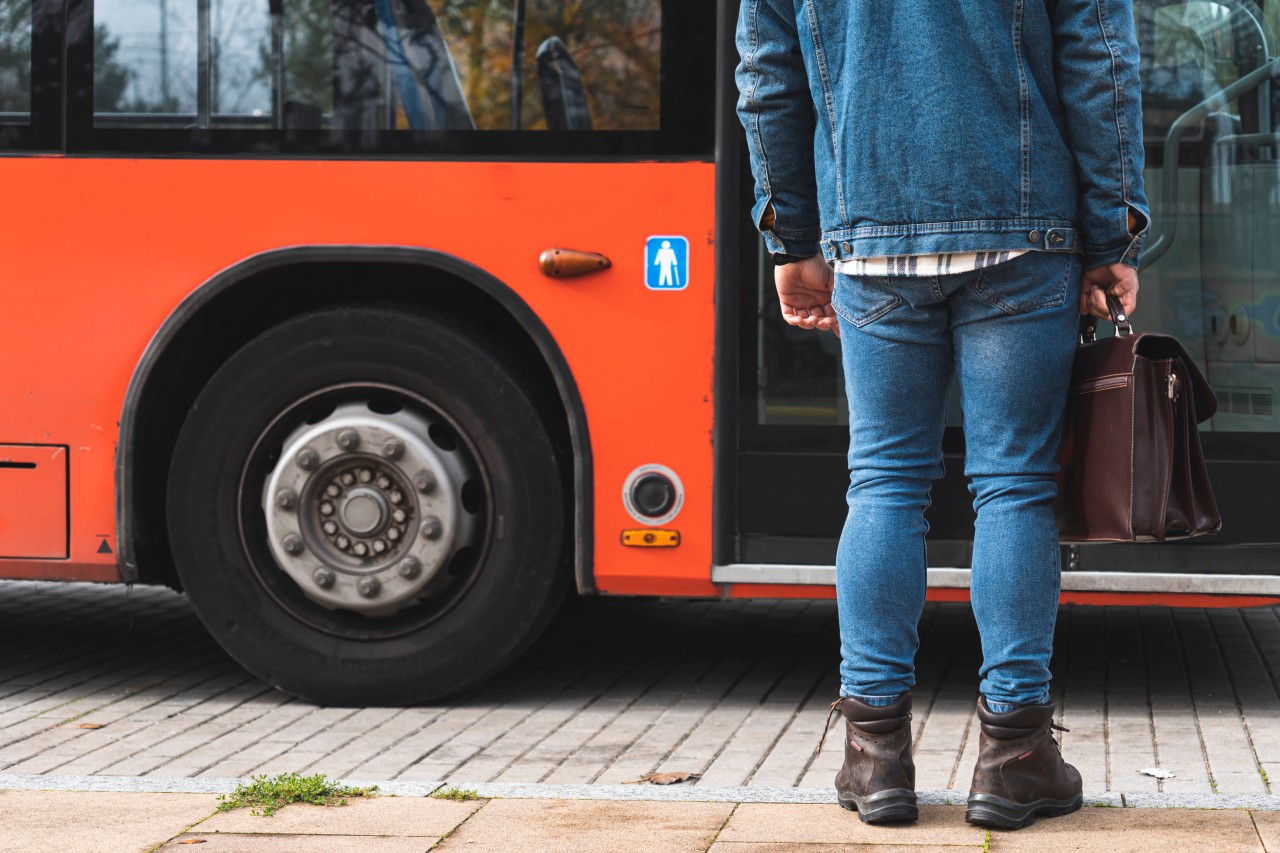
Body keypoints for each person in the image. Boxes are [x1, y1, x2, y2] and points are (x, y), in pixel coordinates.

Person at [736, 0, 1148, 831]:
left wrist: (793, 238)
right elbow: (1102, 60)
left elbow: (767, 78)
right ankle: (1015, 757)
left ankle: (875, 753)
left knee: (884, 483)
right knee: (1015, 486)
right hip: (1022, 227)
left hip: (870, 231)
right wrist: (1112, 233)